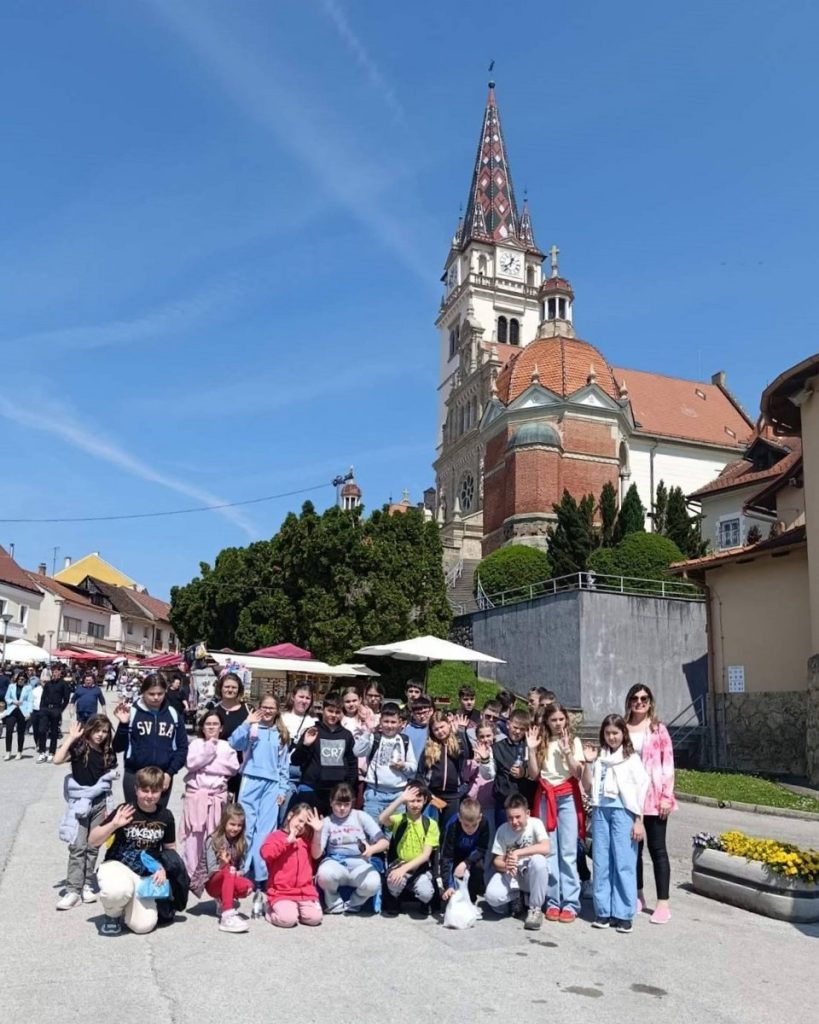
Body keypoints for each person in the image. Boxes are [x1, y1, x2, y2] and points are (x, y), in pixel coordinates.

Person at [90, 765, 178, 936]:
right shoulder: (125, 810)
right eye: (145, 790)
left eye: (154, 791)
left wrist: (163, 868)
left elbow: (170, 848)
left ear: (161, 791)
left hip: (145, 873)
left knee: (144, 926)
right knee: (117, 891)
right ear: (136, 790)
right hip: (118, 864)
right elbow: (93, 841)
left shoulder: (165, 816)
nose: (149, 796)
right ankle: (112, 915)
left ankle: (127, 904)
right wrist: (114, 824)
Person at [582, 714, 649, 933]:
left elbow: (641, 790)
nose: (611, 737)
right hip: (601, 811)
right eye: (608, 733)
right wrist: (589, 763)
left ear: (623, 734)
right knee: (601, 860)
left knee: (624, 862)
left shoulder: (631, 758)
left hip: (623, 812)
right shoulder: (600, 757)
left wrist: (639, 821)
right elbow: (589, 786)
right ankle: (603, 911)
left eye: (616, 733)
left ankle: (624, 913)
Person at [228, 694, 290, 917]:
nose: (267, 710)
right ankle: (243, 871)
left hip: (272, 785)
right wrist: (247, 723)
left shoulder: (281, 734)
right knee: (247, 828)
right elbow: (234, 742)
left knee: (266, 831)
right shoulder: (252, 728)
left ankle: (262, 877)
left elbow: (284, 766)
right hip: (251, 780)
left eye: (271, 707)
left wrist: (282, 789)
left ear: (277, 710)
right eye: (264, 707)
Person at [527, 703, 584, 923]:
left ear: (566, 720)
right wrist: (531, 749)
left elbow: (577, 773)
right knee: (549, 851)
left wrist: (568, 751)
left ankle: (570, 903)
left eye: (562, 719)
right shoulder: (540, 742)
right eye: (554, 720)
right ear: (547, 722)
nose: (558, 724)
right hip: (545, 796)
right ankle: (552, 901)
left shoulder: (573, 741)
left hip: (567, 795)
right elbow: (533, 775)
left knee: (568, 853)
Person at [624, 684, 677, 925]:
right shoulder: (623, 728)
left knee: (657, 850)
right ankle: (638, 895)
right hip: (629, 798)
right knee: (634, 850)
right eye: (635, 698)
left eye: (644, 698)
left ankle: (663, 903)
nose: (639, 702)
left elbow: (668, 764)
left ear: (650, 701)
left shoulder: (658, 729)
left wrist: (667, 796)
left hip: (654, 798)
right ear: (629, 701)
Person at [54, 715, 118, 909]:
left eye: (104, 731)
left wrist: (108, 808)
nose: (100, 735)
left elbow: (107, 782)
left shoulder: (108, 753)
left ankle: (87, 884)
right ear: (89, 730)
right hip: (80, 803)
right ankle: (73, 889)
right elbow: (57, 760)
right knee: (77, 846)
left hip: (99, 802)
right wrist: (71, 738)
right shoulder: (80, 748)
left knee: (93, 846)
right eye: (97, 730)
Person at [179, 711, 240, 895]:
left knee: (216, 836)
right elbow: (190, 764)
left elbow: (232, 768)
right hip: (197, 795)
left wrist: (204, 765)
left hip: (217, 796)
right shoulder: (196, 744)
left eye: (215, 724)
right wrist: (209, 751)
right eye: (208, 724)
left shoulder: (227, 746)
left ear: (221, 728)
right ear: (202, 727)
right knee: (193, 836)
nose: (212, 727)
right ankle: (190, 875)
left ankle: (214, 874)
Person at [112, 672, 189, 810]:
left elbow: (182, 748)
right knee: (133, 819)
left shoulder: (173, 714)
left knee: (158, 821)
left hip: (162, 776)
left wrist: (170, 773)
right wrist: (123, 725)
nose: (156, 697)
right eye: (151, 693)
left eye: (160, 693)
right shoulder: (133, 712)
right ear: (143, 692)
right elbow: (117, 747)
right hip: (134, 774)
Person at [312, 782, 389, 913]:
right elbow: (316, 854)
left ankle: (354, 903)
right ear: (331, 802)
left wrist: (371, 849)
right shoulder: (327, 822)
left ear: (351, 803)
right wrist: (317, 832)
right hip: (336, 863)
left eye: (346, 804)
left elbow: (384, 842)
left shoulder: (361, 816)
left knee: (373, 882)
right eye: (338, 804)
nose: (342, 808)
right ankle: (334, 903)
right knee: (324, 874)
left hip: (360, 863)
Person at [485, 793, 551, 930]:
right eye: (510, 818)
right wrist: (506, 865)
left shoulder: (535, 823)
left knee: (539, 861)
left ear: (527, 813)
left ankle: (535, 909)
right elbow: (496, 861)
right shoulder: (502, 830)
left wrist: (517, 853)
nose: (514, 822)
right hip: (511, 874)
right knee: (491, 897)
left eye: (517, 817)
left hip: (529, 872)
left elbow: (546, 847)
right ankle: (517, 897)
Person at [378, 783, 440, 917]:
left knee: (426, 892)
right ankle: (395, 899)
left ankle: (424, 902)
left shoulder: (430, 824)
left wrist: (403, 869)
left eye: (419, 800)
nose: (415, 804)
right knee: (393, 881)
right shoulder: (400, 819)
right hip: (400, 862)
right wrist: (400, 799)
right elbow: (382, 819)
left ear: (424, 801)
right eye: (411, 800)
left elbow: (425, 856)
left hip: (420, 867)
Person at [290, 691, 357, 815]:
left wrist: (348, 787)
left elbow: (352, 763)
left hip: (336, 791)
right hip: (312, 789)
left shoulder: (346, 735)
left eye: (337, 712)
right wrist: (305, 745)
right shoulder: (312, 731)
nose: (333, 715)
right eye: (330, 711)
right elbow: (295, 760)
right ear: (323, 709)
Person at [260, 803, 323, 928]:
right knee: (287, 920)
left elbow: (316, 855)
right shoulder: (276, 836)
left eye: (305, 824)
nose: (301, 826)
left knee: (315, 918)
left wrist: (318, 832)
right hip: (281, 892)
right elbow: (265, 853)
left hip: (305, 892)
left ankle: (296, 909)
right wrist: (287, 841)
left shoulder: (306, 840)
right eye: (300, 820)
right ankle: (268, 908)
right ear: (290, 816)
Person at [355, 701, 418, 821]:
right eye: (386, 721)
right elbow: (357, 751)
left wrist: (403, 766)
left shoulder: (405, 740)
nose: (389, 725)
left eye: (393, 722)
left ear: (400, 723)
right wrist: (368, 731)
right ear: (380, 722)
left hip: (398, 795)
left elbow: (413, 767)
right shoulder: (374, 738)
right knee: (372, 833)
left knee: (393, 834)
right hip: (374, 794)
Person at [478, 709, 535, 828]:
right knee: (505, 840)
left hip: (527, 802)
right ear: (508, 724)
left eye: (522, 729)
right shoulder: (496, 747)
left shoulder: (531, 746)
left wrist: (524, 773)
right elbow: (489, 775)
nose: (517, 731)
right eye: (515, 727)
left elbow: (537, 773)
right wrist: (484, 760)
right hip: (504, 804)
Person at [416, 711, 470, 831]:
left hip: (453, 796)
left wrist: (461, 732)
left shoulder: (457, 743)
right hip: (434, 795)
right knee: (430, 829)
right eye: (436, 729)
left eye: (442, 727)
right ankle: (433, 850)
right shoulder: (429, 748)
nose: (440, 731)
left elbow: (467, 754)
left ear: (449, 725)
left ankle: (445, 850)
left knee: (449, 830)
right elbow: (420, 773)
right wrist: (428, 794)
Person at [203, 804, 252, 933]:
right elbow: (210, 870)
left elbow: (242, 868)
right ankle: (227, 916)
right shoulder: (213, 840)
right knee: (227, 870)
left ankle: (222, 901)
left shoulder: (242, 842)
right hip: (213, 882)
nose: (235, 828)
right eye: (232, 824)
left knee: (248, 887)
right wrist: (223, 864)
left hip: (230, 876)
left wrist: (238, 872)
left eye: (239, 825)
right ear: (224, 822)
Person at [439, 796, 489, 905]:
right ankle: (452, 892)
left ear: (479, 818)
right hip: (454, 855)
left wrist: (466, 863)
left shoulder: (484, 824)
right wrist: (449, 885)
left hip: (472, 857)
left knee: (479, 866)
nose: (470, 829)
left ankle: (471, 900)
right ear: (459, 818)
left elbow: (482, 849)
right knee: (450, 892)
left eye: (474, 825)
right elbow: (446, 857)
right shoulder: (452, 825)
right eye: (466, 825)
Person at [38, 664, 71, 762]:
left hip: (56, 709)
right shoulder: (48, 684)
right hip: (45, 709)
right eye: (54, 671)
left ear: (60, 673)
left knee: (54, 732)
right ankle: (42, 752)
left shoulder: (64, 684)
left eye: (57, 671)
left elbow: (66, 699)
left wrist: (60, 710)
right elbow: (43, 697)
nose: (55, 673)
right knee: (42, 730)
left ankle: (52, 752)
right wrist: (41, 708)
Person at [2, 671, 33, 760]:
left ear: (25, 680)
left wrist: (29, 712)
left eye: (22, 679)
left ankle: (19, 751)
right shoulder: (11, 686)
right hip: (12, 710)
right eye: (19, 679)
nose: (20, 681)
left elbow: (30, 700)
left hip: (23, 711)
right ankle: (8, 751)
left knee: (20, 732)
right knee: (9, 730)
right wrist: (13, 701)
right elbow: (7, 697)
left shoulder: (28, 688)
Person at [403, 693, 433, 761]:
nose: (422, 716)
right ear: (413, 714)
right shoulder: (406, 731)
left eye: (425, 712)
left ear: (431, 711)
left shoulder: (436, 729)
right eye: (418, 713)